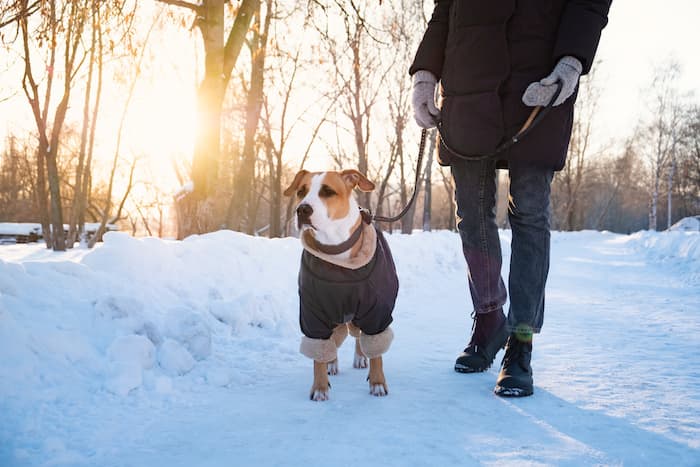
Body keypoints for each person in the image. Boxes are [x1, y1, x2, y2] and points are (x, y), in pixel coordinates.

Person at [410, 1, 612, 397]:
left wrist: (571, 62)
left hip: (538, 79)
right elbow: (444, 10)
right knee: (470, 212)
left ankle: (520, 339)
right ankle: (489, 319)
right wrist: (424, 74)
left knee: (531, 213)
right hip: (468, 80)